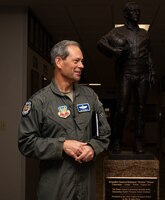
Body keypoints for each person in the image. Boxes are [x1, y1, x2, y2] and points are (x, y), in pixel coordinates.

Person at [18, 40, 111, 200]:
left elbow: (104, 133)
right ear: (59, 62)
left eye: (82, 61)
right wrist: (62, 146)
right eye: (76, 61)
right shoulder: (39, 101)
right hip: (56, 188)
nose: (81, 65)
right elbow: (25, 142)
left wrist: (92, 148)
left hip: (86, 188)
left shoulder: (90, 96)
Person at [97, 2, 155, 153]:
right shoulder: (118, 31)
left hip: (143, 73)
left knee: (141, 109)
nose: (137, 13)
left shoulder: (145, 33)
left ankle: (138, 141)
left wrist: (152, 72)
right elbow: (100, 42)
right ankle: (116, 139)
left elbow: (149, 54)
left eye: (138, 11)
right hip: (126, 73)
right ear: (126, 14)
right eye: (133, 11)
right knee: (122, 109)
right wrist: (113, 50)